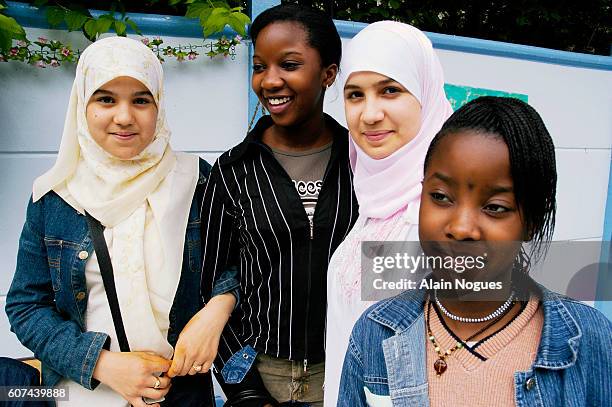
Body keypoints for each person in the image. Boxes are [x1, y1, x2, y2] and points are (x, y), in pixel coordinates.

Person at [338, 96, 612, 406]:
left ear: (532, 221)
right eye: (441, 197)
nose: (461, 228)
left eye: (495, 207)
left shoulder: (590, 340)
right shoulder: (375, 334)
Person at [5, 36, 228, 406]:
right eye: (106, 99)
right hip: (87, 394)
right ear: (82, 104)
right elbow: (26, 306)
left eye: (141, 100)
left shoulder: (195, 180)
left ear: (159, 105)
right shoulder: (54, 196)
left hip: (179, 393)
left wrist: (217, 312)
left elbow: (230, 266)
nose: (124, 117)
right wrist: (103, 364)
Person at [169, 4, 358, 406]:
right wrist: (245, 391)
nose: (270, 81)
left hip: (347, 370)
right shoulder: (232, 171)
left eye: (288, 64)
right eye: (259, 66)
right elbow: (213, 285)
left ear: (328, 73)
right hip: (262, 371)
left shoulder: (364, 166)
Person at [324, 21, 453, 406]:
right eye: (355, 95)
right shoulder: (371, 198)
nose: (369, 114)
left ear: (425, 95)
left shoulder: (448, 215)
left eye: (390, 90)